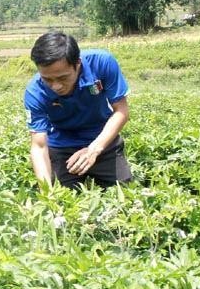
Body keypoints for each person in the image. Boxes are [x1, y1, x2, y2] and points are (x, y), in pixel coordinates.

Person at [23, 31, 133, 190]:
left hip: (102, 139)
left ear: (78, 64)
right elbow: (39, 147)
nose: (56, 86)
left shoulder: (102, 63)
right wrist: (47, 194)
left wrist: (94, 150)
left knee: (125, 196)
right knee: (61, 203)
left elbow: (121, 111)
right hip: (61, 146)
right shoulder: (35, 92)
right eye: (47, 79)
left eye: (62, 78)